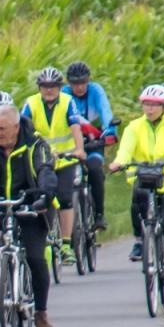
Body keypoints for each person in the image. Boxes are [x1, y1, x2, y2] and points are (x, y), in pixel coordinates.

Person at [0, 105, 57, 327]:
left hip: (31, 202)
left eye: (3, 128)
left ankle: (40, 313)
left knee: (36, 258)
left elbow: (45, 171)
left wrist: (44, 196)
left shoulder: (36, 144)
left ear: (17, 126)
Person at [109, 85, 164, 298]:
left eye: (154, 105)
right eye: (146, 104)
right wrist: (118, 163)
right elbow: (126, 149)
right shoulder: (134, 127)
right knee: (136, 206)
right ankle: (141, 240)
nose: (149, 109)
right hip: (145, 179)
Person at [19, 65, 82, 259]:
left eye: (53, 86)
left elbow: (75, 127)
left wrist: (79, 149)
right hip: (41, 160)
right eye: (45, 86)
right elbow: (24, 130)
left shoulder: (68, 101)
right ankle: (44, 238)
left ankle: (66, 244)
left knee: (64, 198)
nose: (49, 90)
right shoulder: (31, 103)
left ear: (60, 87)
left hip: (65, 158)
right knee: (42, 197)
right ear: (39, 88)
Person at [64, 60, 118, 230]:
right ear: (68, 83)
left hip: (94, 140)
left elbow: (105, 112)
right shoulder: (64, 94)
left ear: (89, 80)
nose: (79, 87)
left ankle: (99, 215)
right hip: (71, 142)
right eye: (75, 83)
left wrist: (110, 132)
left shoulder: (96, 91)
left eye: (83, 82)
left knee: (95, 168)